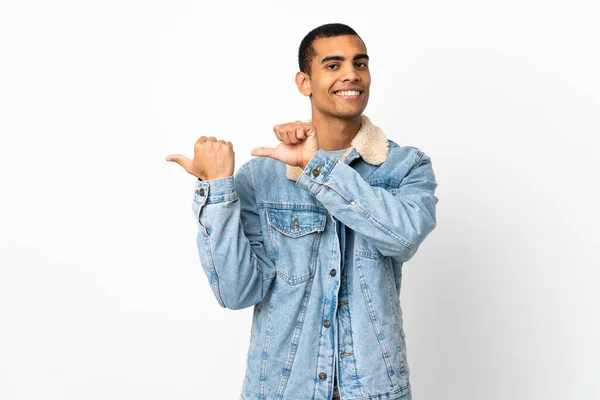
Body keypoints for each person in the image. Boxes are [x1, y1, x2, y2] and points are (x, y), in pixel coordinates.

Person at [166, 23, 438, 400]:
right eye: (333, 64)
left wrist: (317, 167)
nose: (351, 74)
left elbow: (404, 238)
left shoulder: (405, 166)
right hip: (281, 390)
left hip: (373, 390)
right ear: (304, 82)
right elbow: (237, 292)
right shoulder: (262, 177)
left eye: (360, 63)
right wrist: (216, 190)